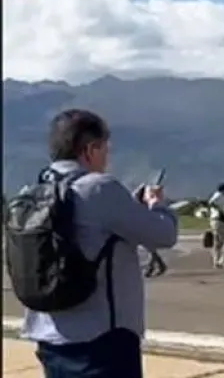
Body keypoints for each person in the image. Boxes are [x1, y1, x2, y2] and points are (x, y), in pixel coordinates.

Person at [12, 109, 179, 378]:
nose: (106, 159)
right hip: (101, 340)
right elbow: (164, 234)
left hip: (48, 337)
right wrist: (157, 206)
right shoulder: (100, 188)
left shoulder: (30, 194)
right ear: (90, 150)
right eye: (105, 150)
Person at [207, 183, 224, 268]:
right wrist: (220, 212)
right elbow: (211, 202)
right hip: (219, 221)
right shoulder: (219, 195)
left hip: (216, 221)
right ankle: (223, 260)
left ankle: (216, 261)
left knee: (218, 242)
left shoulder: (220, 196)